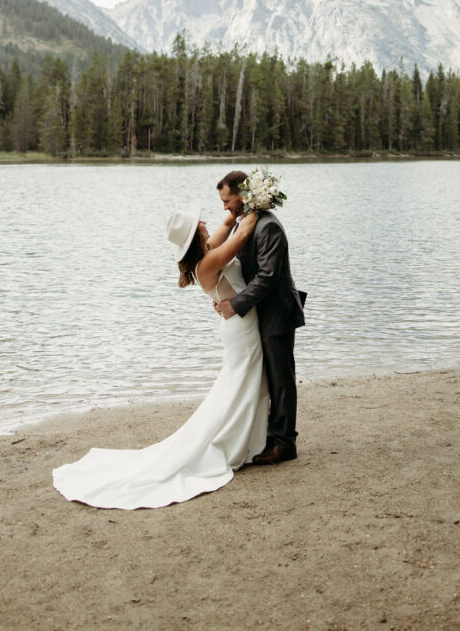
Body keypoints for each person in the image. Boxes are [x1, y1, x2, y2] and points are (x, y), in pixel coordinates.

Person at [52, 202, 268, 510]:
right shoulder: (208, 263)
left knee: (242, 385)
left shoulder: (208, 251)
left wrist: (238, 206)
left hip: (238, 326)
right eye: (200, 224)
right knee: (238, 387)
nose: (206, 223)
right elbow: (243, 233)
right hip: (240, 331)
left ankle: (249, 441)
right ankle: (234, 445)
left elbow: (231, 220)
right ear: (196, 236)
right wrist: (262, 200)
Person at [215, 170, 306, 465]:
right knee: (268, 377)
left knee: (281, 379)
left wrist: (236, 304)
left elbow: (267, 277)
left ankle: (284, 444)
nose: (225, 207)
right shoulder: (247, 223)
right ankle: (269, 435)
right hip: (261, 312)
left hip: (277, 312)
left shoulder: (269, 228)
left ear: (243, 195)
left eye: (228, 200)